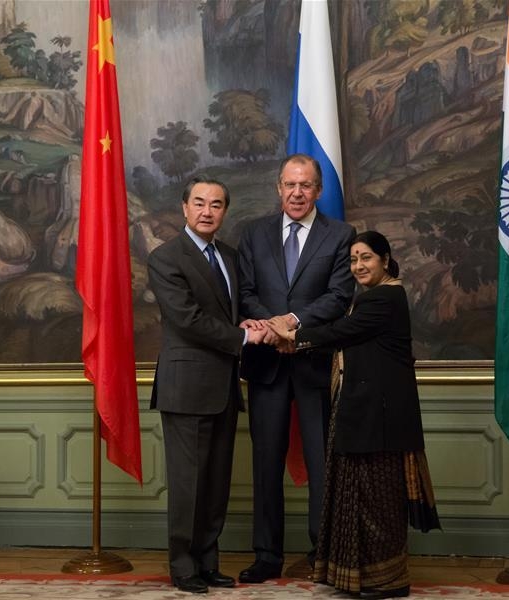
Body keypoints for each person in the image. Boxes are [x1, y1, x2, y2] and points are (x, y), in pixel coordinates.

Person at [268, 231, 440, 599]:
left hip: (379, 418)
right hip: (367, 414)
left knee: (377, 498)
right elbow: (348, 338)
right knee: (363, 496)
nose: (358, 266)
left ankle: (386, 580)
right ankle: (365, 577)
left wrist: (293, 335)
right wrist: (296, 341)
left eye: (366, 258)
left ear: (385, 259)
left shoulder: (385, 297)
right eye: (353, 260)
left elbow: (342, 331)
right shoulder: (376, 296)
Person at [237, 154, 356, 583]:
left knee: (322, 463)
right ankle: (267, 555)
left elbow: (339, 296)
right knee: (266, 463)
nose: (297, 193)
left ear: (318, 191)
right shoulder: (254, 233)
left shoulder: (340, 235)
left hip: (313, 363)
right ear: (279, 188)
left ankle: (322, 553)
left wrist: (291, 322)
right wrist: (271, 328)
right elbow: (245, 293)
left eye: (305, 185)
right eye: (290, 184)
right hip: (267, 364)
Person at [148, 175, 266, 595]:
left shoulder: (230, 256)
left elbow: (230, 311)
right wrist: (243, 337)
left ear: (225, 212)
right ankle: (183, 567)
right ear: (184, 208)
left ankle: (208, 563)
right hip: (186, 387)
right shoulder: (166, 258)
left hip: (224, 386)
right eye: (199, 203)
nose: (207, 211)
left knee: (216, 483)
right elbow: (187, 320)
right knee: (188, 484)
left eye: (216, 205)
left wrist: (252, 323)